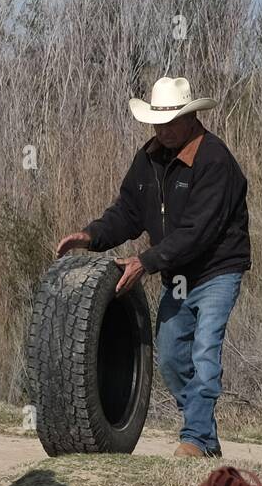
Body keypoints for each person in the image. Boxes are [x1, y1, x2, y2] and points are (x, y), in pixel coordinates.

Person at [56, 76, 250, 458]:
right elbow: (127, 213)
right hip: (176, 274)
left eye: (171, 120)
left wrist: (145, 261)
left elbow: (198, 232)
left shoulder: (215, 161)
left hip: (217, 270)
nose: (163, 129)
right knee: (172, 356)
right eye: (157, 122)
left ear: (192, 118)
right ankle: (204, 437)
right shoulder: (148, 158)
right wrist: (91, 236)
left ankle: (193, 438)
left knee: (205, 352)